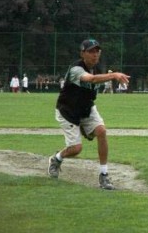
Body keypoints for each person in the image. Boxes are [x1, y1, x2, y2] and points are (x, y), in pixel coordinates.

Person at [48, 39, 130, 190]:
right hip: (68, 111)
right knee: (76, 149)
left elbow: (94, 80)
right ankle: (57, 158)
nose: (95, 54)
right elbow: (90, 79)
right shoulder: (76, 69)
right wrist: (113, 75)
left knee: (102, 131)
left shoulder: (97, 69)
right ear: (82, 53)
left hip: (86, 109)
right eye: (91, 51)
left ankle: (104, 175)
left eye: (97, 51)